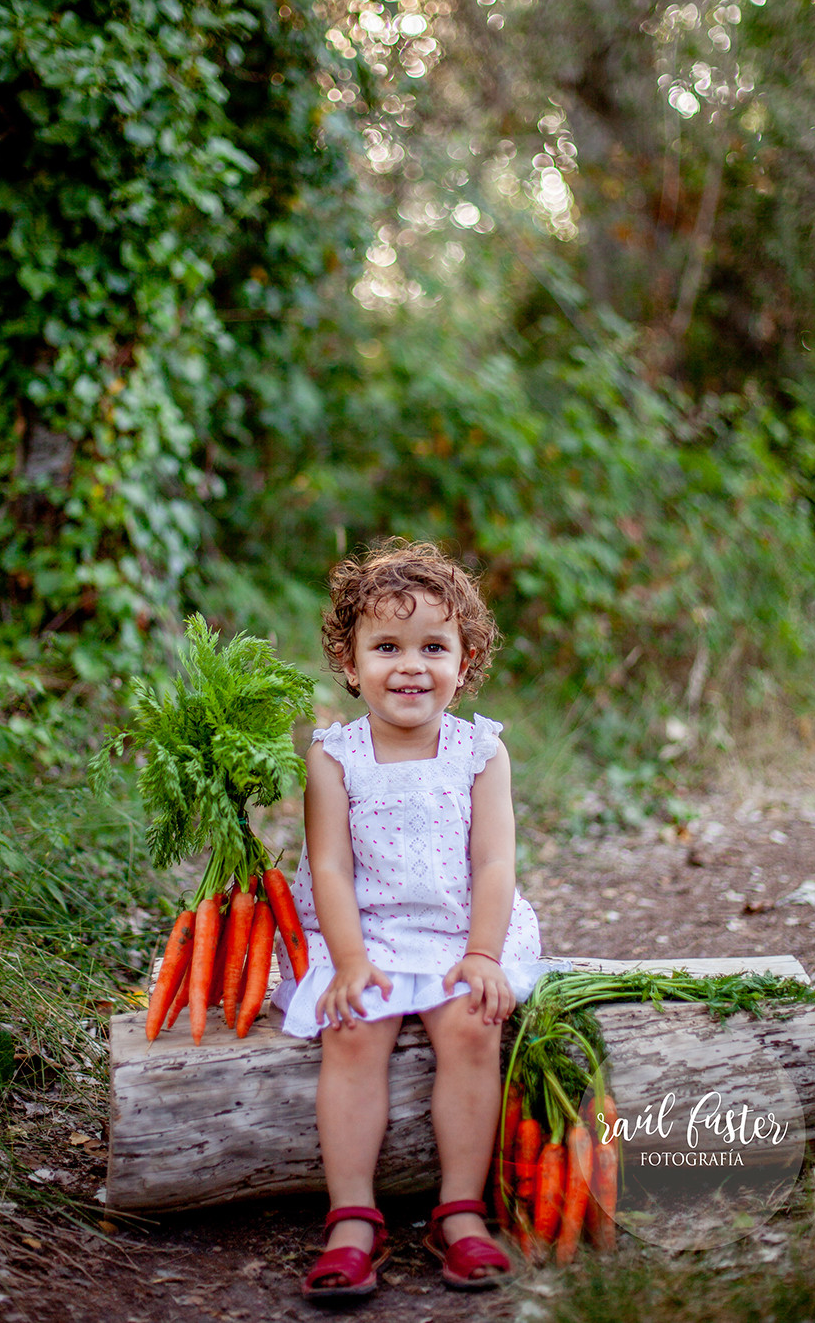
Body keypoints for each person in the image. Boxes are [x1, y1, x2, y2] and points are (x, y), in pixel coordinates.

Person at [271, 539, 542, 1304]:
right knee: (354, 1030)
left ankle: (459, 1209)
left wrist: (483, 954)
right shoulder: (335, 756)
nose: (410, 665)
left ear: (467, 659)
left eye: (433, 646)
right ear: (351, 664)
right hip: (363, 928)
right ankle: (353, 1218)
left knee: (469, 1025)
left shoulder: (479, 751)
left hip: (462, 926)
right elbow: (329, 869)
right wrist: (351, 962)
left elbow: (494, 865)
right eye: (386, 646)